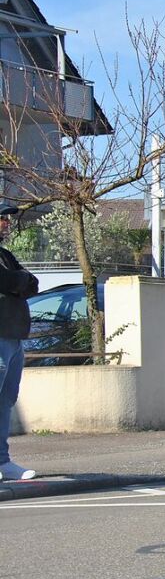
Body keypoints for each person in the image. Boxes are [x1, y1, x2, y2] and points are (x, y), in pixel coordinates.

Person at [0, 204, 39, 482]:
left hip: (13, 338)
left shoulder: (5, 255)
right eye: (2, 218)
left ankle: (3, 462)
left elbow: (32, 282)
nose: (6, 223)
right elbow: (7, 280)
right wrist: (16, 281)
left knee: (6, 400)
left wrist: (19, 280)